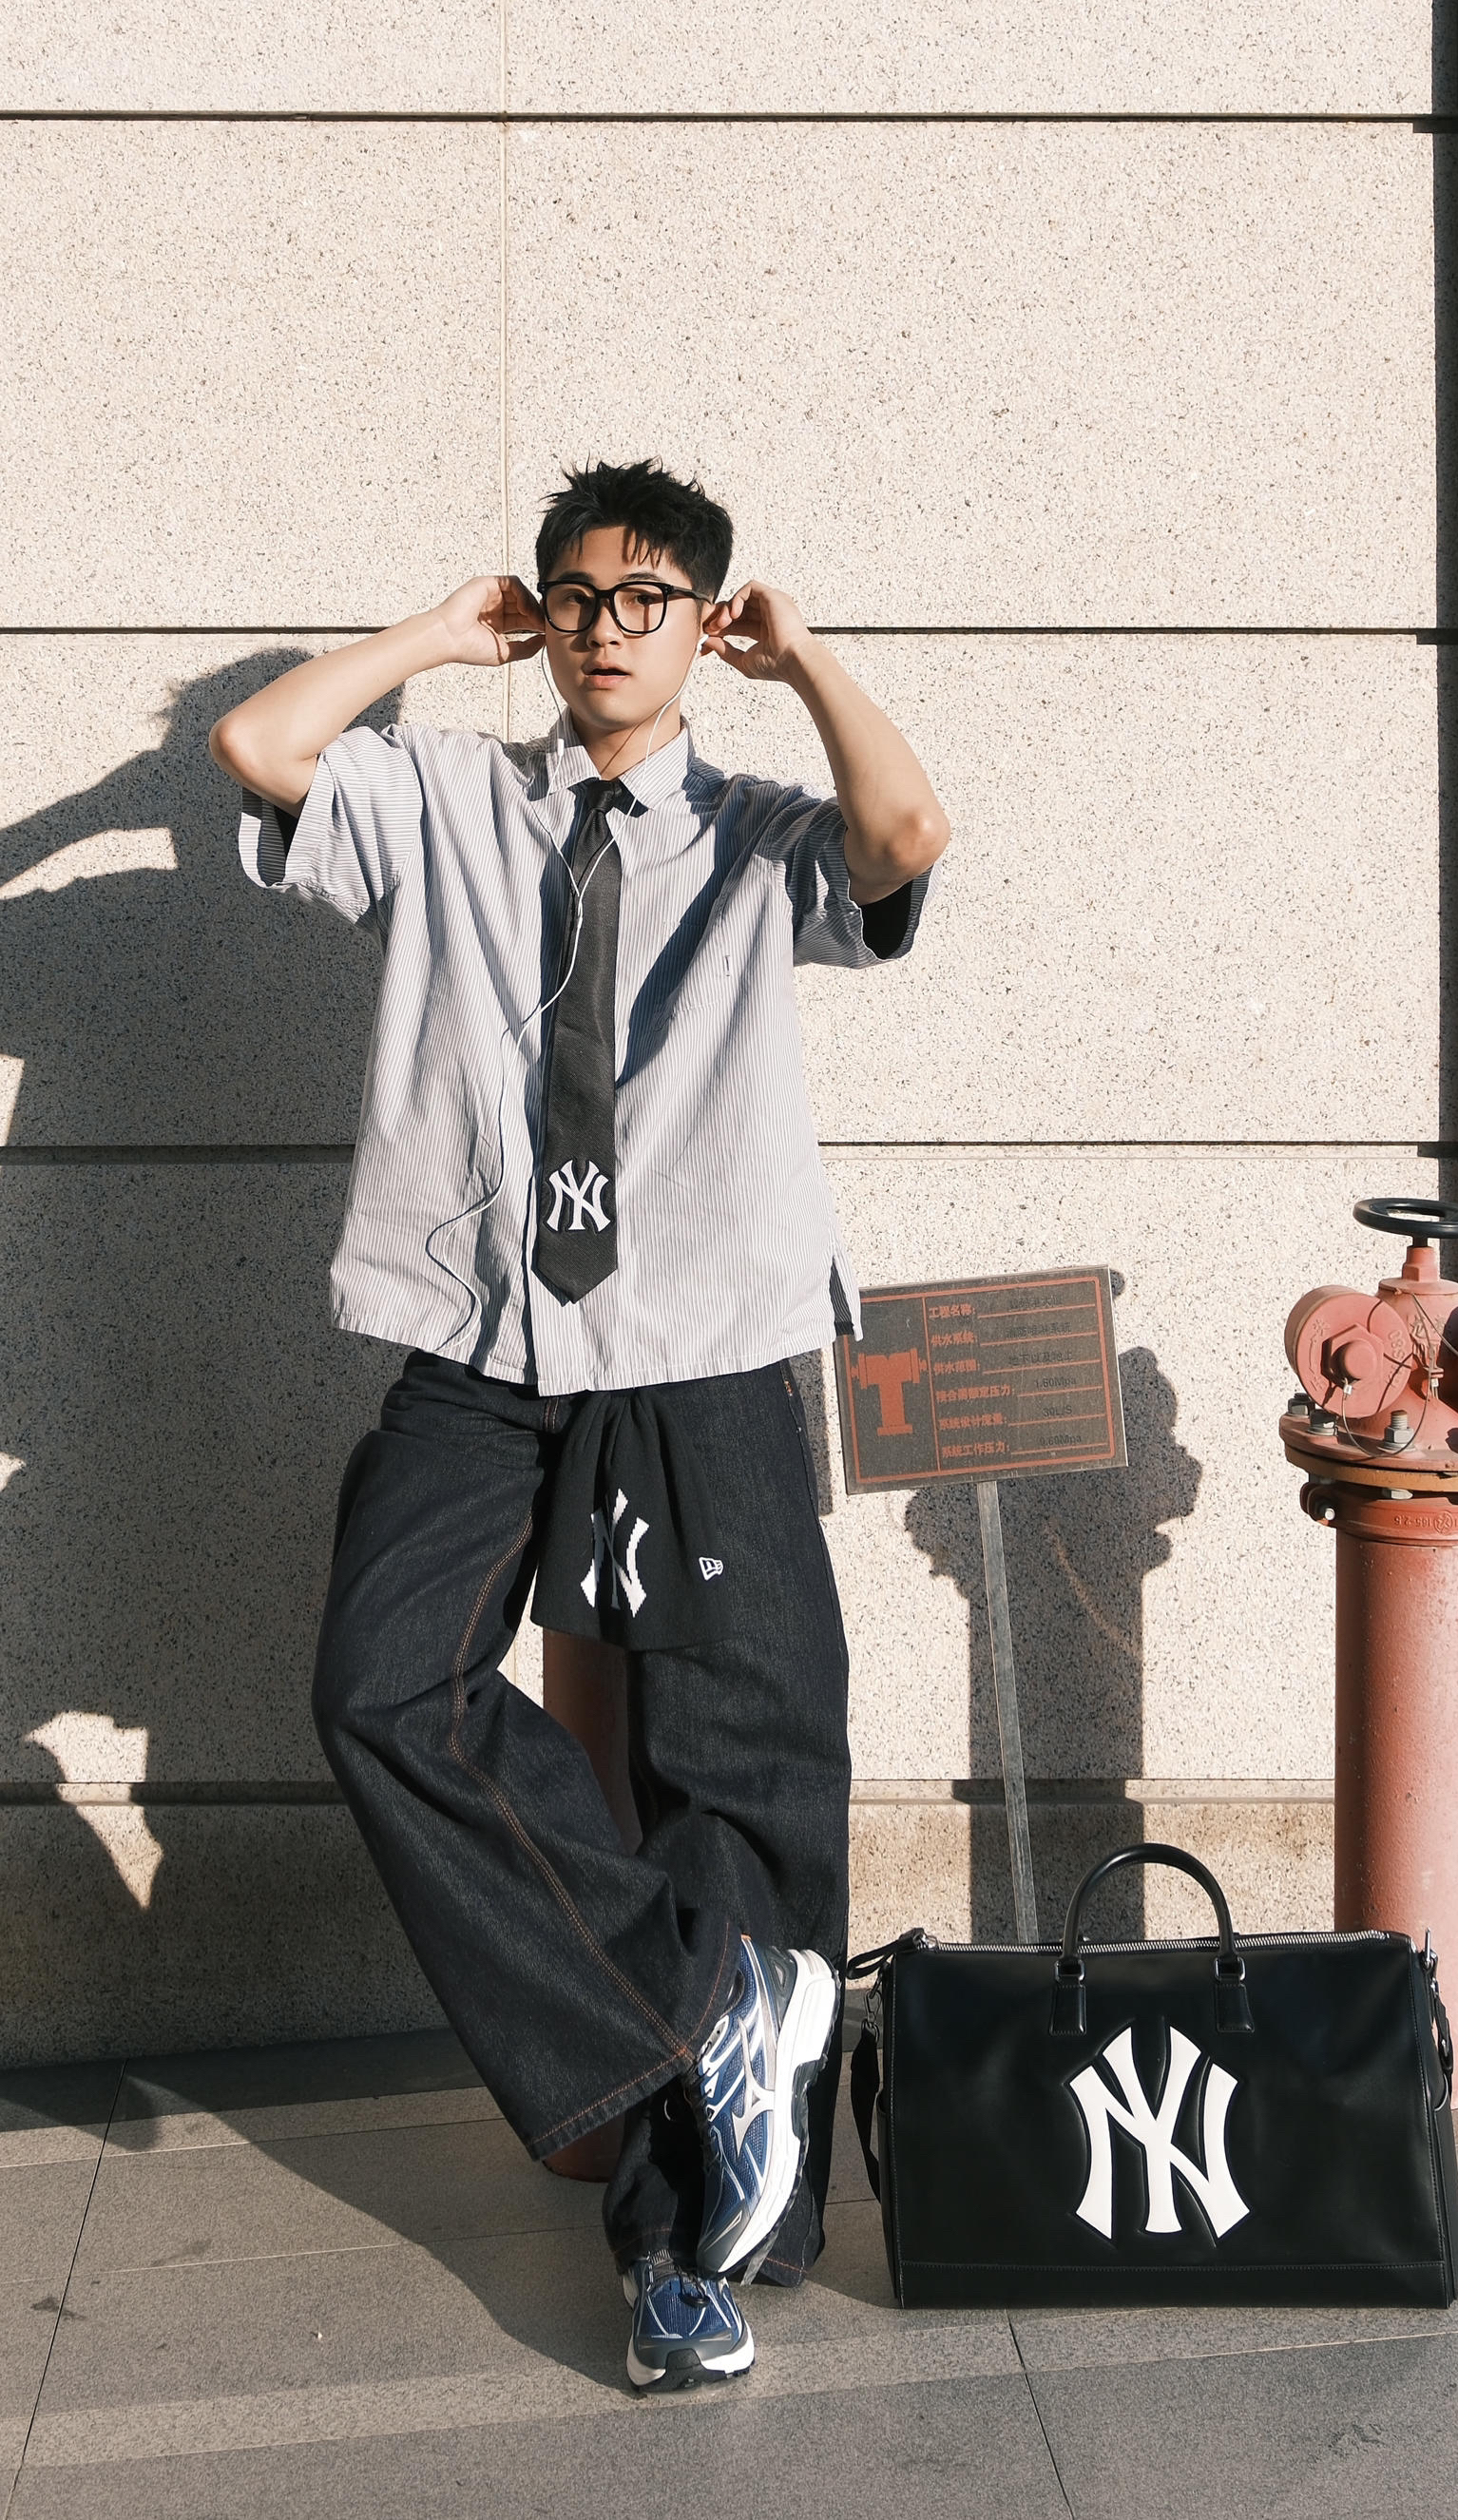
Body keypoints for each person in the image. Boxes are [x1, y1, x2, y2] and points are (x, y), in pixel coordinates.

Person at [210, 459, 949, 2391]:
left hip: (696, 1331)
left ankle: (694, 2252)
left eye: (648, 599)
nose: (607, 628)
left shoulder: (757, 829)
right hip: (478, 1326)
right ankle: (712, 2003)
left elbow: (906, 834)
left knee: (741, 1760)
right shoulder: (444, 795)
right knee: (383, 1686)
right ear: (538, 615)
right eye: (576, 596)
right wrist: (430, 639)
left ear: (703, 622)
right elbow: (259, 748)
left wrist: (808, 661)